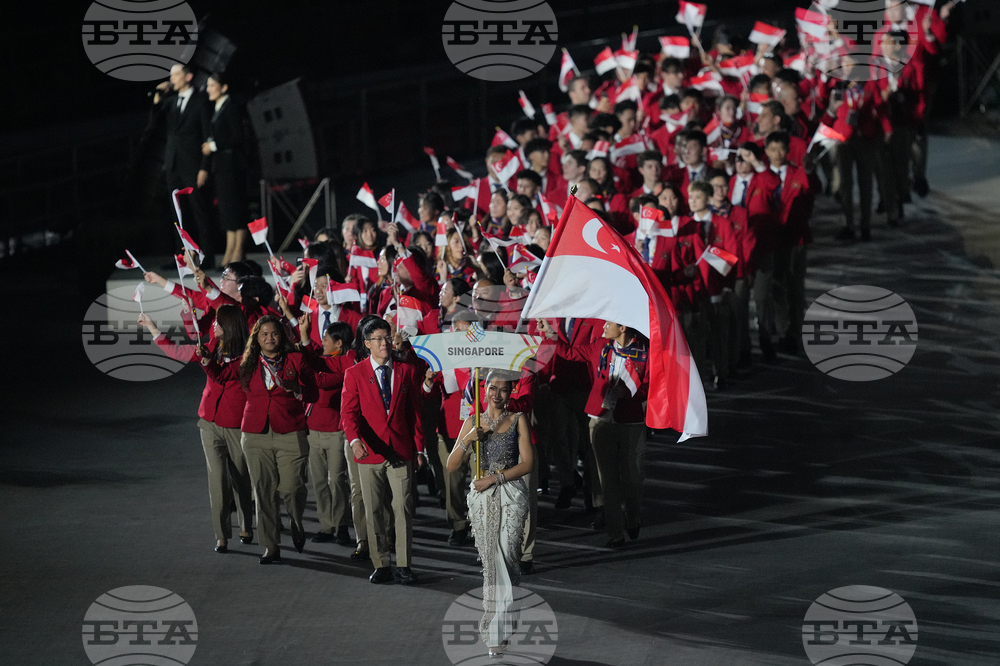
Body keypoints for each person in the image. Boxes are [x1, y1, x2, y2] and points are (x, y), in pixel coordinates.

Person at [137, 304, 253, 553]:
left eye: (218, 322)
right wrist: (151, 327)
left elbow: (224, 375)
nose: (214, 325)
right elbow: (178, 352)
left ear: (230, 326)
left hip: (236, 424)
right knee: (217, 481)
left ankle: (247, 525)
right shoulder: (211, 344)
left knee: (241, 479)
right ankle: (221, 536)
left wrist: (207, 362)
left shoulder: (247, 353)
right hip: (208, 422)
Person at [206, 315, 318, 564]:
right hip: (255, 435)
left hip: (290, 432)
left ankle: (297, 523)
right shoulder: (247, 362)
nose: (270, 338)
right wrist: (206, 360)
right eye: (264, 334)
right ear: (256, 338)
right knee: (264, 491)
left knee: (291, 488)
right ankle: (270, 544)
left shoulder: (296, 359)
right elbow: (221, 375)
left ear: (282, 336)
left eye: (274, 333)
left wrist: (298, 390)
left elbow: (313, 392)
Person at [446, 369, 533, 659]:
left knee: (507, 559)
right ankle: (494, 632)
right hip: (481, 501)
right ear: (484, 389)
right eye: (493, 388)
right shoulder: (473, 421)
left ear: (511, 393)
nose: (498, 394)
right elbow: (451, 465)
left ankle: (503, 626)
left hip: (509, 495)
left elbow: (528, 463)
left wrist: (495, 479)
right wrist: (470, 438)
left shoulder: (518, 420)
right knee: (490, 565)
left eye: (504, 390)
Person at [340, 317, 426, 585]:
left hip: (401, 452)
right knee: (374, 509)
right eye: (377, 339)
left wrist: (419, 449)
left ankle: (403, 564)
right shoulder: (354, 374)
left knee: (403, 508)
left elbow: (415, 413)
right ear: (367, 344)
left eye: (387, 337)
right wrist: (355, 440)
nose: (384, 343)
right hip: (369, 453)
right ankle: (381, 564)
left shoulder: (407, 371)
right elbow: (348, 413)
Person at [151, 64, 214, 267]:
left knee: (199, 210)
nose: (172, 79)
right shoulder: (171, 102)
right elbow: (154, 125)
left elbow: (207, 135)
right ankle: (182, 258)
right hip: (173, 164)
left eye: (176, 75)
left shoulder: (200, 100)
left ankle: (206, 255)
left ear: (188, 77)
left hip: (193, 164)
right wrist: (158, 99)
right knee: (177, 213)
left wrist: (204, 167)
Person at [301, 320, 356, 546]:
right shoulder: (322, 360)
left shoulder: (346, 364)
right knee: (320, 481)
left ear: (339, 343)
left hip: (336, 430)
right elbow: (312, 355)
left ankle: (341, 523)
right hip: (313, 428)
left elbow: (321, 380)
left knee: (337, 480)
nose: (321, 342)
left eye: (326, 338)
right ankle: (326, 525)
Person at [201, 71, 250, 266]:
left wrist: (213, 145)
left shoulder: (232, 106)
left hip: (232, 166)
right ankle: (230, 249)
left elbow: (237, 136)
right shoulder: (219, 107)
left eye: (212, 85)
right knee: (227, 210)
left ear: (224, 87)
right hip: (222, 166)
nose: (208, 90)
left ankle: (238, 250)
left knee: (236, 208)